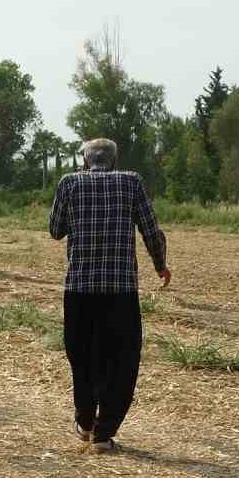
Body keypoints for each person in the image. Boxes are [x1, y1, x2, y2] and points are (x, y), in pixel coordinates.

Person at [47, 137, 171, 453]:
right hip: (120, 292)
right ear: (114, 161)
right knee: (122, 360)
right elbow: (151, 229)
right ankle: (104, 433)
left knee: (83, 357)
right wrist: (160, 265)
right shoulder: (132, 182)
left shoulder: (69, 183)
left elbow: (55, 230)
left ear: (86, 161)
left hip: (79, 290)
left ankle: (85, 421)